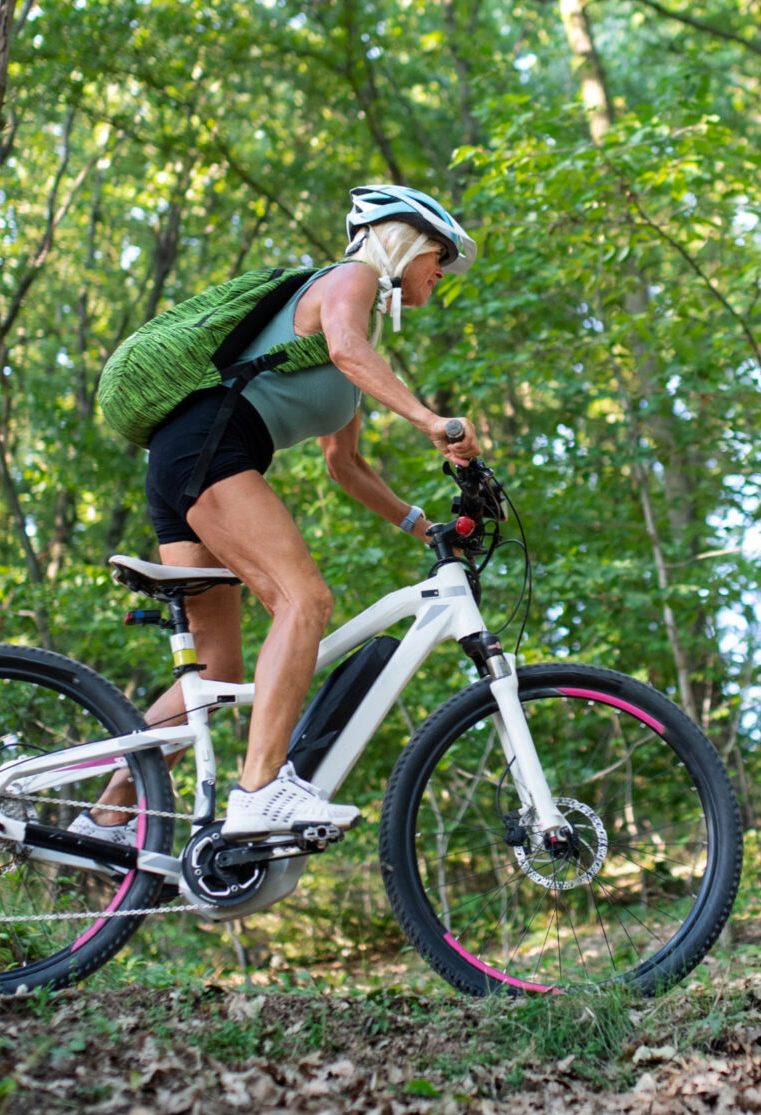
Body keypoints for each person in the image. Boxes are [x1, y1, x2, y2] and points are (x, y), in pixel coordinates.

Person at [78, 186, 481, 842]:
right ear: (403, 241)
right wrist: (430, 420)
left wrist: (421, 525)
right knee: (304, 601)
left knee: (218, 670)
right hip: (211, 448)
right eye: (439, 256)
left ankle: (106, 816)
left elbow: (344, 465)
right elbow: (347, 349)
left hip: (188, 461)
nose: (442, 272)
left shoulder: (352, 343)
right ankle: (261, 790)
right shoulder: (351, 279)